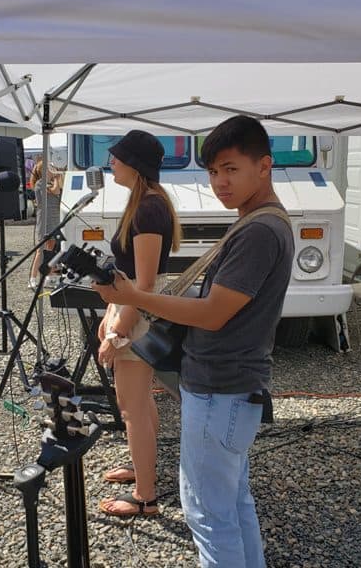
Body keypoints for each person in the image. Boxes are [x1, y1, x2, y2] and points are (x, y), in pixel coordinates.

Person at [93, 116, 294, 567]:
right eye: (212, 172)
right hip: (230, 386)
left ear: (264, 167)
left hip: (220, 387)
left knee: (207, 515)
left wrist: (131, 298)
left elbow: (213, 313)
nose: (219, 183)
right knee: (231, 504)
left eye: (230, 169)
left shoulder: (260, 230)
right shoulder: (260, 221)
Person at [94, 130, 182, 518]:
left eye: (117, 157)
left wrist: (118, 331)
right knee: (140, 402)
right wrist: (109, 316)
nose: (111, 162)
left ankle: (145, 497)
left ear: (135, 164)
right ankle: (141, 468)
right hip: (132, 309)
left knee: (131, 408)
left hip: (138, 314)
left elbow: (145, 285)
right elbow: (133, 278)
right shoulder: (145, 203)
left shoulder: (148, 208)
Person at [28, 159, 62, 289]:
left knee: (52, 249)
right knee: (40, 250)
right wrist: (57, 179)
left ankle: (50, 277)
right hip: (45, 219)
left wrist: (56, 179)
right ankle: (32, 278)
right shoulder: (40, 183)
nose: (53, 170)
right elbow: (56, 191)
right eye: (50, 168)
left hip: (54, 218)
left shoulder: (50, 182)